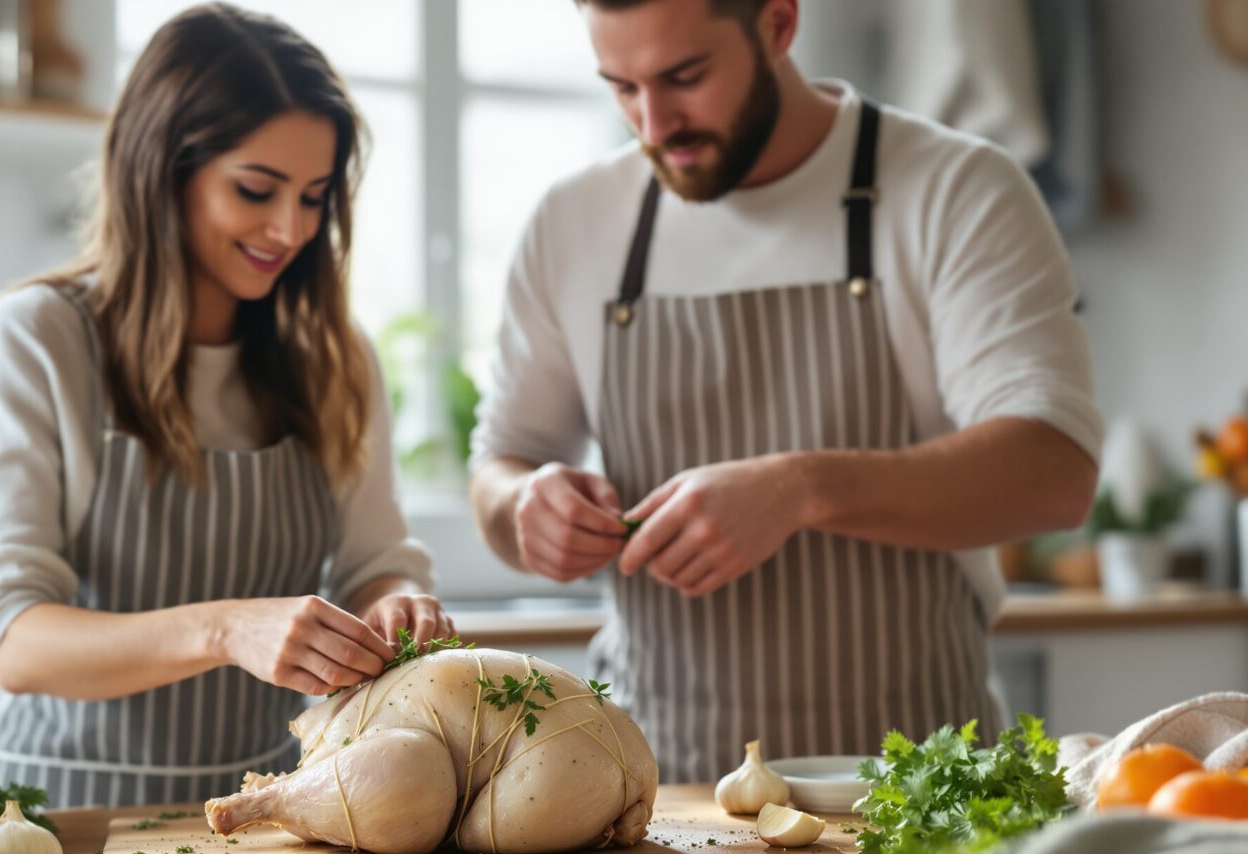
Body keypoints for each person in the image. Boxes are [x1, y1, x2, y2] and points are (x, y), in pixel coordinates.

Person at [468, 0, 1102, 782]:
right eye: (622, 87)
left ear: (778, 25)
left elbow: (1055, 473)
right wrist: (526, 503)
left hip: (920, 796)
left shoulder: (955, 189)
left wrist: (800, 489)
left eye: (684, 77)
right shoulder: (574, 222)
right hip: (657, 797)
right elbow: (501, 463)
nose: (655, 123)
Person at [0, 3, 449, 808]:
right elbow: (11, 636)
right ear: (160, 171)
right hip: (64, 819)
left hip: (275, 813)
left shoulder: (335, 358)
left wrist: (390, 602)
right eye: (256, 189)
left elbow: (371, 560)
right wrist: (223, 629)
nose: (289, 229)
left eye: (315, 197)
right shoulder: (40, 339)